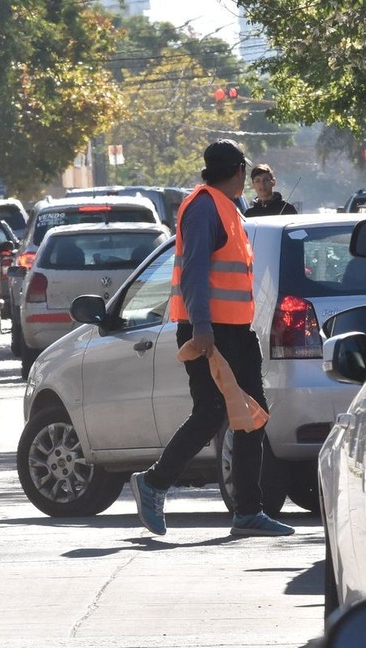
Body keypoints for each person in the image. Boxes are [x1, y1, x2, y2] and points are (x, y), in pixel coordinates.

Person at [130, 139, 295, 538]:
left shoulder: (227, 207)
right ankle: (154, 483)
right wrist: (202, 327)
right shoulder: (205, 207)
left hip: (233, 331)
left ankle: (247, 512)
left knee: (251, 414)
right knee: (211, 413)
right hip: (211, 332)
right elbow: (194, 273)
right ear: (239, 170)